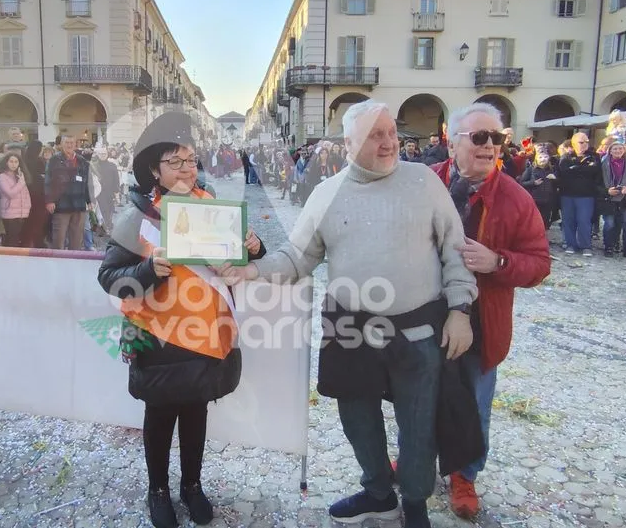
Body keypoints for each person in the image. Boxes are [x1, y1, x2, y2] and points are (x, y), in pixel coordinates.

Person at [217, 100, 478, 528]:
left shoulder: (424, 182)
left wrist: (460, 310)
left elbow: (455, 249)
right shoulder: (326, 193)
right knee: (357, 418)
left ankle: (413, 503)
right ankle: (378, 492)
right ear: (349, 143)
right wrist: (251, 269)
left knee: (418, 423)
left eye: (392, 132)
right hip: (350, 329)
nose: (389, 142)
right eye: (376, 135)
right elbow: (297, 258)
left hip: (418, 327)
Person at [97, 112, 266, 528]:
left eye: (191, 160)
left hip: (205, 331)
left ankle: (192, 485)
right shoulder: (136, 216)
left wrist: (254, 245)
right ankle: (158, 490)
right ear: (155, 169)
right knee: (159, 415)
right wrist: (146, 271)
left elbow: (239, 258)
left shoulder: (212, 205)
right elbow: (109, 277)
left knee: (196, 410)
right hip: (156, 333)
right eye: (176, 161)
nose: (187, 169)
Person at [432, 103, 550, 519]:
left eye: (496, 138)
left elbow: (539, 263)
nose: (489, 146)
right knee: (419, 396)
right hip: (423, 314)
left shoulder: (516, 198)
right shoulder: (427, 183)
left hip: (482, 324)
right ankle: (419, 460)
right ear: (453, 140)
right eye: (478, 137)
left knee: (475, 403)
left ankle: (465, 474)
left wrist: (497, 262)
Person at [557, 132, 601, 256]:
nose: (585, 144)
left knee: (584, 221)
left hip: (586, 195)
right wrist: (583, 169)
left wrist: (575, 168)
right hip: (568, 194)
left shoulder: (594, 156)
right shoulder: (566, 157)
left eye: (587, 142)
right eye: (582, 142)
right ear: (574, 143)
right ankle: (570, 244)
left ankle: (585, 245)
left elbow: (595, 170)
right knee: (568, 220)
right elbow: (564, 172)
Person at [45, 135, 90, 251]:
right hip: (61, 204)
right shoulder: (54, 159)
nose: (69, 145)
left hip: (79, 205)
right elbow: (48, 181)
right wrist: (49, 201)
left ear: (76, 145)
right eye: (66, 143)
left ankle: (74, 265)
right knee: (59, 240)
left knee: (76, 240)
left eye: (71, 143)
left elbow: (87, 182)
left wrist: (89, 201)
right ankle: (58, 265)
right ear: (61, 144)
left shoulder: (82, 160)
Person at [598, 141, 626, 259]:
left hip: (625, 199)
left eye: (620, 148)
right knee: (609, 224)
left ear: (624, 150)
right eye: (615, 149)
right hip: (608, 198)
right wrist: (607, 191)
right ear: (610, 151)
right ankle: (608, 247)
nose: (618, 151)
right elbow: (597, 184)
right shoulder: (603, 164)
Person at [0, 152, 32, 247]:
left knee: (16, 238)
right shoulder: (2, 177)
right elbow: (10, 193)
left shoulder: (20, 176)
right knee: (11, 239)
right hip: (9, 213)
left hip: (21, 213)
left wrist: (27, 207)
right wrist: (21, 182)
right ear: (6, 163)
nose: (13, 164)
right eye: (11, 161)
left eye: (16, 162)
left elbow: (25, 194)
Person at [518, 148, 558, 229]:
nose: (543, 159)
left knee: (545, 222)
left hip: (548, 200)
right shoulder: (531, 169)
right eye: (540, 157)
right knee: (534, 222)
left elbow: (557, 185)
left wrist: (555, 179)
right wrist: (533, 183)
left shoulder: (552, 170)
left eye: (545, 157)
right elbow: (521, 183)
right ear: (536, 158)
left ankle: (544, 239)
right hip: (535, 200)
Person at [88, 145, 120, 235]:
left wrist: (116, 192)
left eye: (104, 153)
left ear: (107, 154)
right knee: (103, 210)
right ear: (98, 154)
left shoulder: (112, 165)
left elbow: (116, 179)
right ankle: (106, 228)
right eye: (101, 154)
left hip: (110, 193)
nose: (103, 155)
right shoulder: (94, 166)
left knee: (110, 210)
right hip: (99, 193)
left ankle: (107, 225)